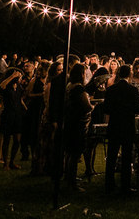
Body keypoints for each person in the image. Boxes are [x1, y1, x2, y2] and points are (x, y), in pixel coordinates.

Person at [99, 64, 139, 194]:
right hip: (127, 126)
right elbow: (137, 109)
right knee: (127, 157)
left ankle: (109, 184)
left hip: (115, 126)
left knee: (111, 156)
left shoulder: (111, 90)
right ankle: (125, 185)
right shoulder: (133, 90)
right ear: (130, 74)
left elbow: (106, 109)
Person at [61, 63, 93, 191]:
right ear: (81, 74)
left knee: (69, 152)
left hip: (70, 121)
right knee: (75, 153)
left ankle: (68, 177)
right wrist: (92, 107)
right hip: (77, 123)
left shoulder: (69, 85)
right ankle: (72, 183)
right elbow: (86, 105)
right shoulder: (78, 88)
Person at [0, 66, 24, 169]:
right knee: (7, 139)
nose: (20, 77)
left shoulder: (19, 87)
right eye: (19, 75)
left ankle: (12, 161)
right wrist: (12, 76)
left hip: (17, 115)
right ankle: (6, 162)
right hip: (8, 115)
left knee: (17, 139)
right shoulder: (6, 86)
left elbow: (20, 100)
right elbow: (1, 86)